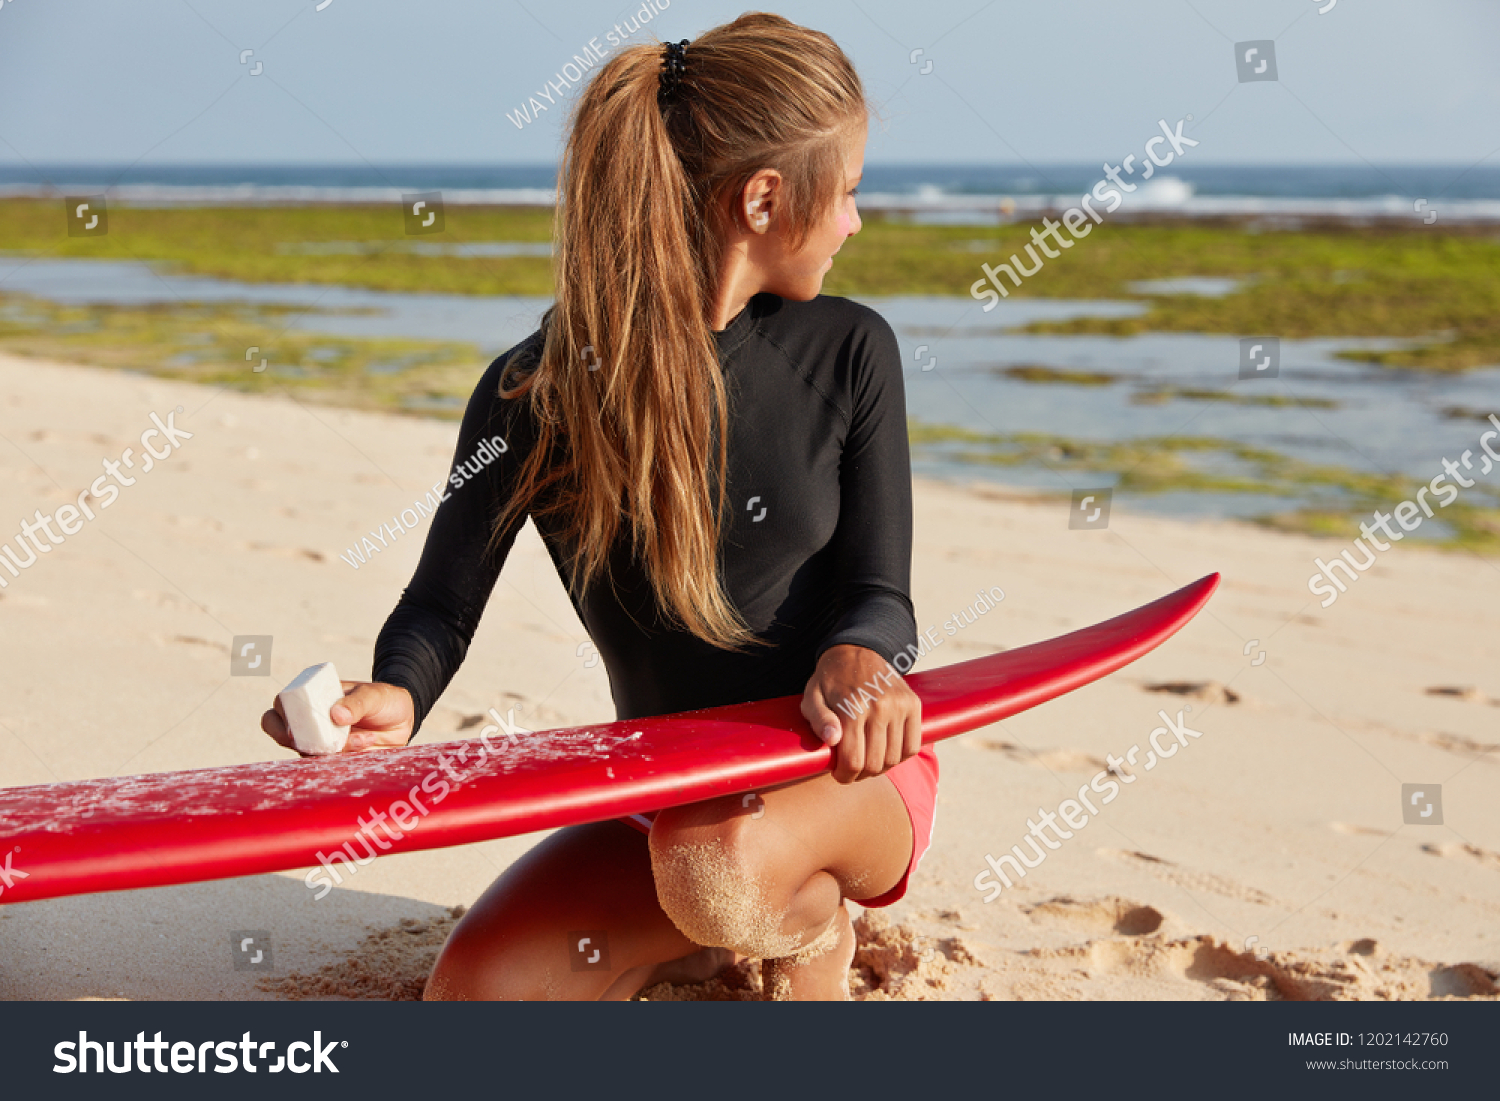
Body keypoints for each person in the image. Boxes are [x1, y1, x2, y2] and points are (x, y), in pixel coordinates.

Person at [262, 11, 937, 1001]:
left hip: (843, 776)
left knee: (719, 865)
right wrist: (396, 693)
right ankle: (716, 928)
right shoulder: (538, 394)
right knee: (478, 992)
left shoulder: (849, 354)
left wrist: (865, 658)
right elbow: (441, 608)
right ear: (763, 200)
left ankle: (806, 930)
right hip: (659, 802)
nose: (853, 224)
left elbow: (881, 592)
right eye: (849, 194)